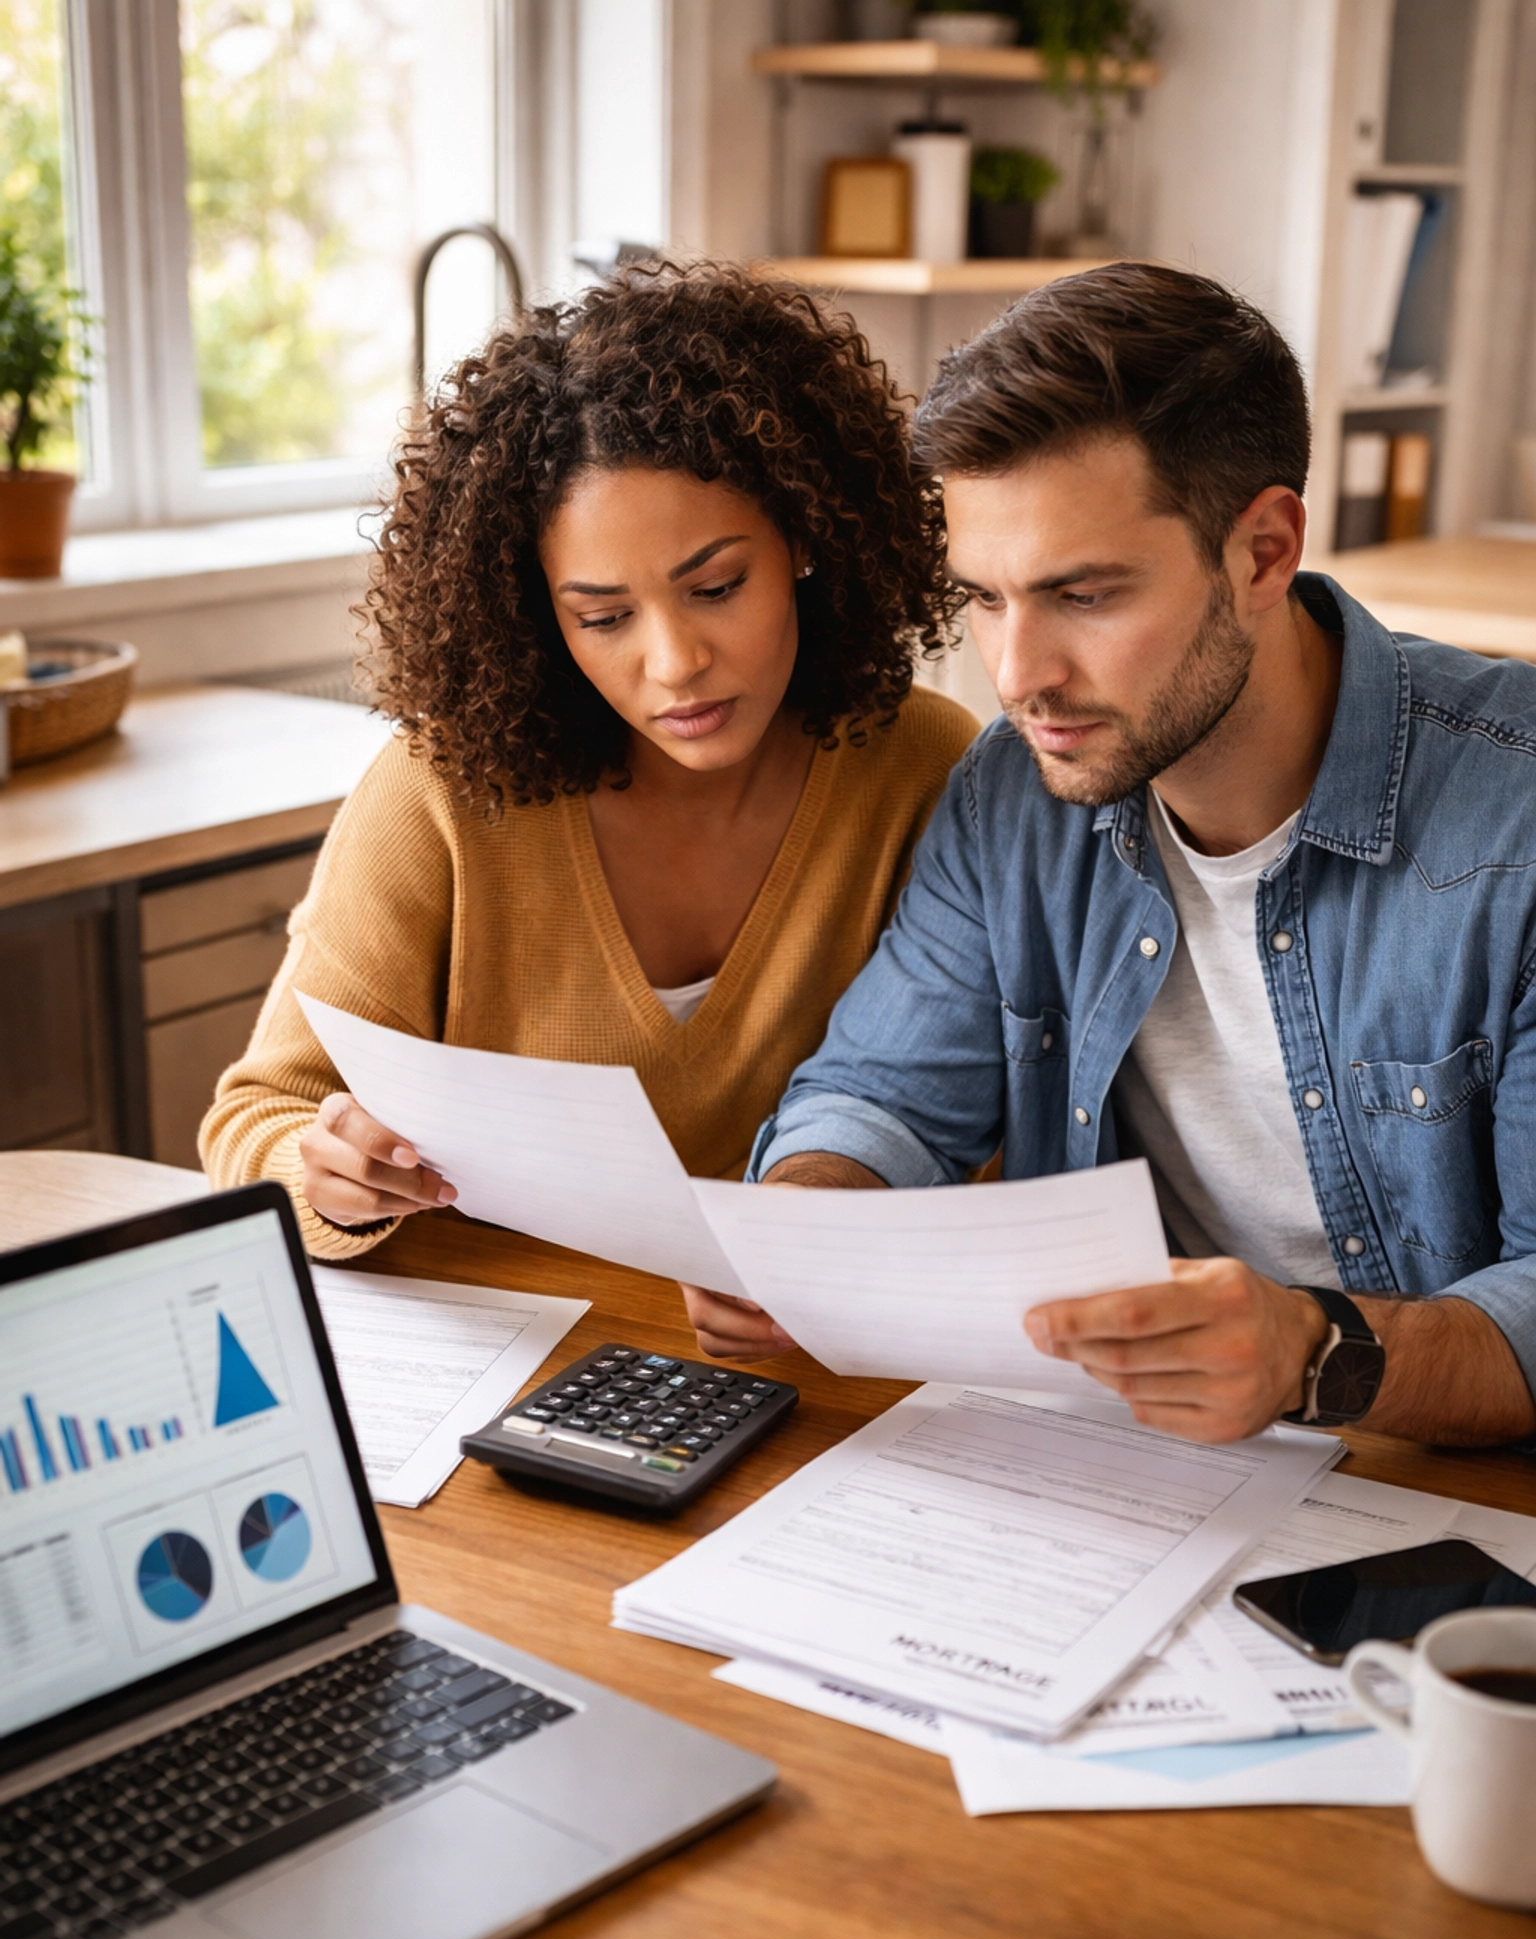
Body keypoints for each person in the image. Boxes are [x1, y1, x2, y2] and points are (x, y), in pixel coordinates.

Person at [686, 262, 1536, 1451]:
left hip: (1436, 1490)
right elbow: (881, 1096)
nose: (1018, 672)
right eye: (982, 597)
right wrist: (798, 1224)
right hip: (1125, 1467)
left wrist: (1311, 1349)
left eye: (1081, 595)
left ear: (1262, 552)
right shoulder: (1009, 797)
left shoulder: (1517, 829)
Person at [201, 261, 975, 1259]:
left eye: (718, 586)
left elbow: (970, 1122)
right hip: (497, 1354)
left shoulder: (920, 765)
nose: (675, 663)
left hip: (800, 1351)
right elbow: (256, 1116)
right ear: (541, 616)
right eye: (603, 616)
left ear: (808, 538)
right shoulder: (444, 790)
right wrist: (330, 1173)